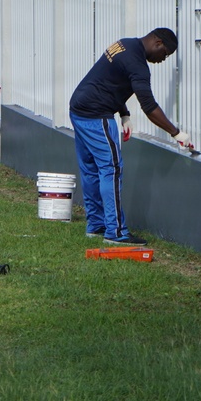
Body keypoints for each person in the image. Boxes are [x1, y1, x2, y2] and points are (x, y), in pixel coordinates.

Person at [69, 28, 192, 246]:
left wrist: (124, 114)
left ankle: (96, 225)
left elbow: (109, 82)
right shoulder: (138, 65)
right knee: (111, 170)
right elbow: (149, 106)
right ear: (158, 42)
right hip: (97, 115)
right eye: (165, 54)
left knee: (91, 170)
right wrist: (176, 133)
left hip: (79, 108)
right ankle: (115, 232)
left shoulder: (124, 45)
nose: (162, 60)